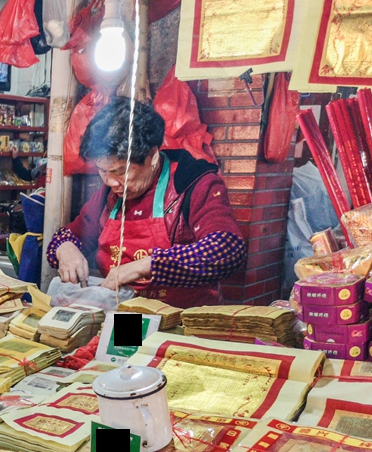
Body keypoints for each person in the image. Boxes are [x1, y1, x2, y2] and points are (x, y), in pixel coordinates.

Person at [48, 97, 246, 307]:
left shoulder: (194, 184)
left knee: (152, 341)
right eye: (102, 171)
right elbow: (70, 235)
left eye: (119, 172)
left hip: (181, 321)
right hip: (128, 317)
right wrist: (66, 248)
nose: (110, 181)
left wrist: (146, 266)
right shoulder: (110, 195)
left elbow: (228, 250)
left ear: (152, 156)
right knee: (118, 340)